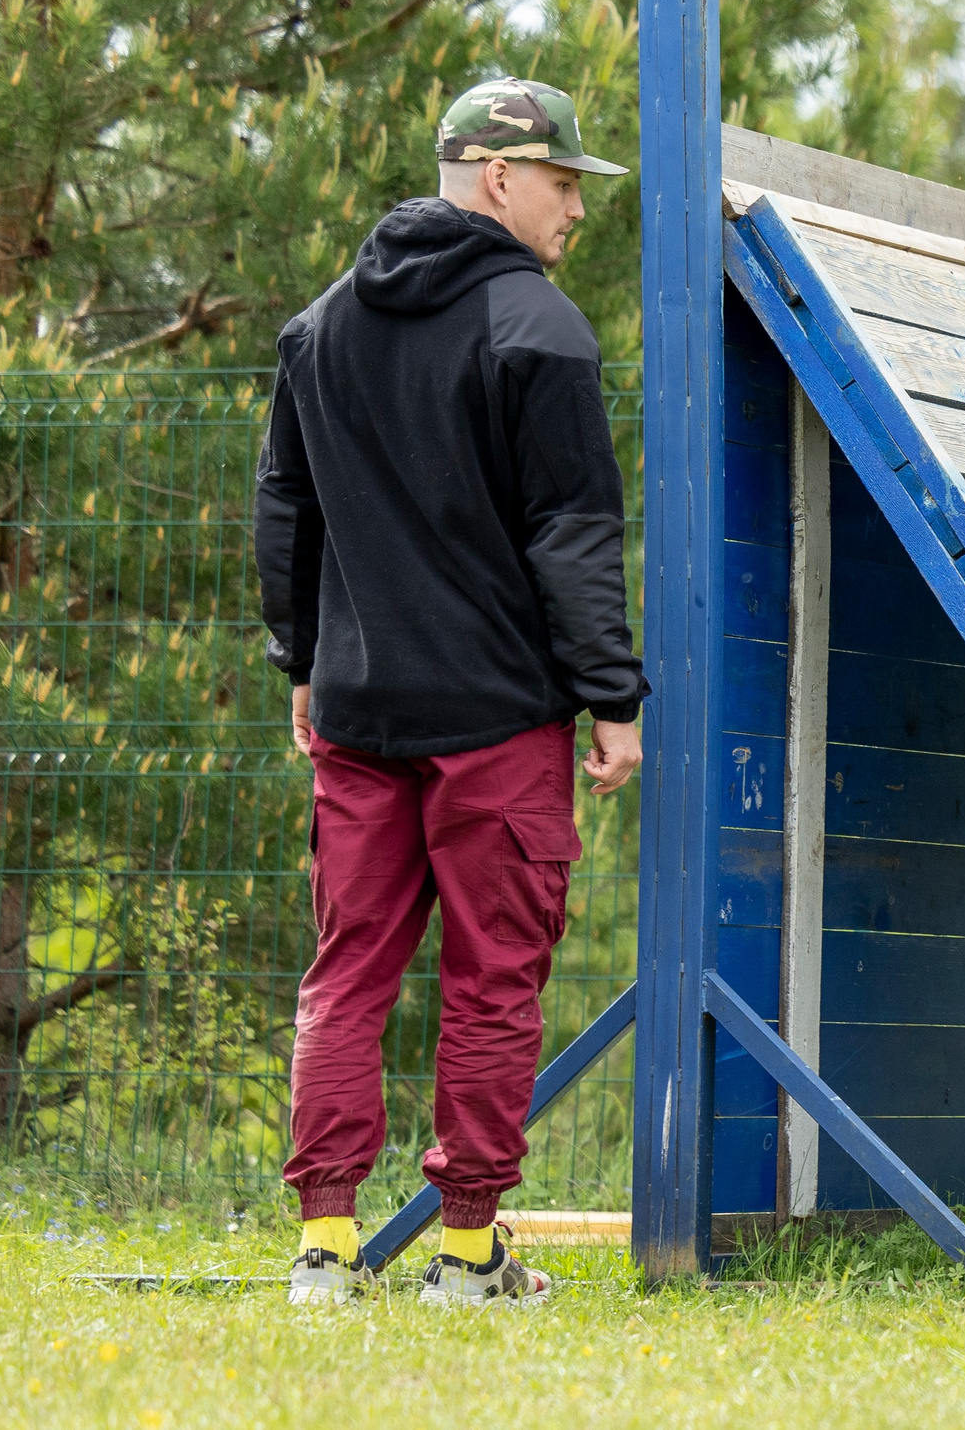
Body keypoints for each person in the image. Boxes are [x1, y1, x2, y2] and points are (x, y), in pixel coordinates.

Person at [255, 78, 646, 1307]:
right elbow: (572, 530)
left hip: (358, 710)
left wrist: (303, 662)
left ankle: (325, 1248)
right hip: (496, 722)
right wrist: (613, 695)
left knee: (346, 971)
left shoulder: (320, 326)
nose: (576, 207)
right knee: (490, 980)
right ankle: (468, 1256)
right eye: (564, 181)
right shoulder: (539, 327)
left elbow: (285, 508)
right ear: (498, 177)